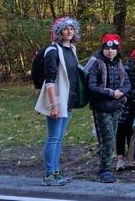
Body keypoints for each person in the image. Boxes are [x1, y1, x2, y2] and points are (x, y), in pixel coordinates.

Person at [35, 16, 81, 186]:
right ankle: (49, 174)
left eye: (72, 28)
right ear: (59, 32)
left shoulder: (72, 49)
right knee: (53, 138)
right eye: (65, 28)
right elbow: (50, 80)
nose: (69, 31)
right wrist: (53, 105)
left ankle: (56, 171)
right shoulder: (53, 51)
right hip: (57, 99)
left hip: (68, 100)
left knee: (59, 138)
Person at [89, 33, 131, 183]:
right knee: (108, 139)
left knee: (110, 138)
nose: (110, 51)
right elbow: (92, 86)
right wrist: (111, 93)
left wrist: (121, 93)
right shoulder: (96, 63)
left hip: (116, 107)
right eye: (107, 48)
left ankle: (104, 162)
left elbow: (127, 84)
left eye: (113, 49)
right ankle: (104, 170)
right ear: (103, 48)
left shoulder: (119, 64)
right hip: (101, 107)